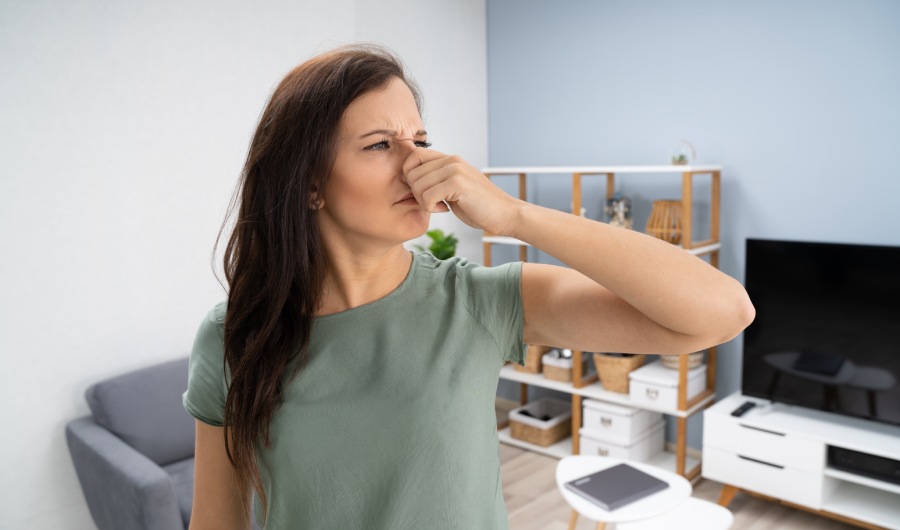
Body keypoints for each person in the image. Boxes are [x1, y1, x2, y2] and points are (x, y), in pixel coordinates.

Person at [183, 44, 755, 530]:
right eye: (381, 144)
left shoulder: (479, 302)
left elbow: (724, 312)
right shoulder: (234, 335)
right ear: (309, 183)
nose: (418, 164)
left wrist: (514, 216)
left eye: (421, 139)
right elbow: (215, 521)